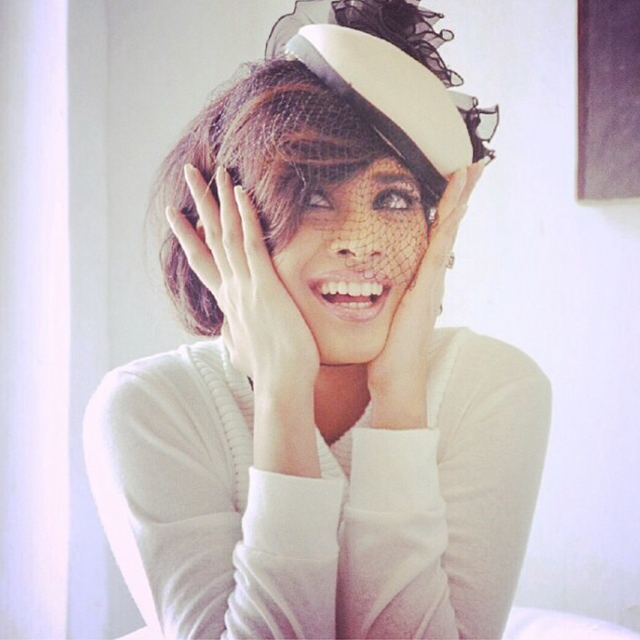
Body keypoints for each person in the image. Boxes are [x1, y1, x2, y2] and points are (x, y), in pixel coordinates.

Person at [84, 2, 551, 638]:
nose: (360, 242)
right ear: (230, 226)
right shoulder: (150, 409)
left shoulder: (494, 387)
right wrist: (283, 395)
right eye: (311, 197)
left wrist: (400, 397)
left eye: (393, 198)